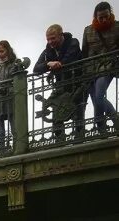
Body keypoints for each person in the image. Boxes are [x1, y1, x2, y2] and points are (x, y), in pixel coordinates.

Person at [33, 24, 84, 141]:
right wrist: (48, 64)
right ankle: (59, 141)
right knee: (57, 115)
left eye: (53, 38)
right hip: (61, 86)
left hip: (78, 84)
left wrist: (56, 64)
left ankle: (79, 140)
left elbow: (68, 60)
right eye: (48, 39)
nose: (50, 42)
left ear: (61, 36)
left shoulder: (73, 42)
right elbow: (36, 69)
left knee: (78, 113)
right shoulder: (47, 51)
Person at [82, 2, 119, 134]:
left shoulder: (117, 27)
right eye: (100, 17)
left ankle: (113, 121)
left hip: (108, 66)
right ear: (95, 16)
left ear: (110, 13)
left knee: (98, 97)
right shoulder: (88, 30)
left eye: (106, 16)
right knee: (96, 101)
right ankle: (101, 129)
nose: (103, 20)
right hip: (90, 69)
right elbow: (84, 52)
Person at [0, 41, 19, 149]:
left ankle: (17, 146)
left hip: (10, 96)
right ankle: (1, 148)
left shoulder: (15, 64)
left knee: (14, 124)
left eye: (2, 51)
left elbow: (16, 80)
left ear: (8, 50)